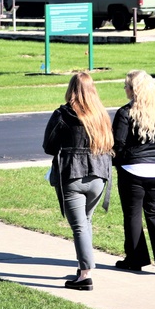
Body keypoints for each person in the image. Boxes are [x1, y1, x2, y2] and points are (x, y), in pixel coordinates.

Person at [43, 72, 114, 291]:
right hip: (100, 175)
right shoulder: (101, 115)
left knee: (79, 226)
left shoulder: (63, 114)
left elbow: (48, 146)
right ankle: (84, 268)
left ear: (72, 89)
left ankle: (85, 276)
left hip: (74, 174)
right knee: (86, 221)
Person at [112, 69, 155, 274]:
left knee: (132, 214)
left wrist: (123, 159)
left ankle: (136, 258)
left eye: (126, 86)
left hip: (132, 170)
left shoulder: (125, 113)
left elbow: (117, 142)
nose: (124, 89)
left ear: (134, 90)